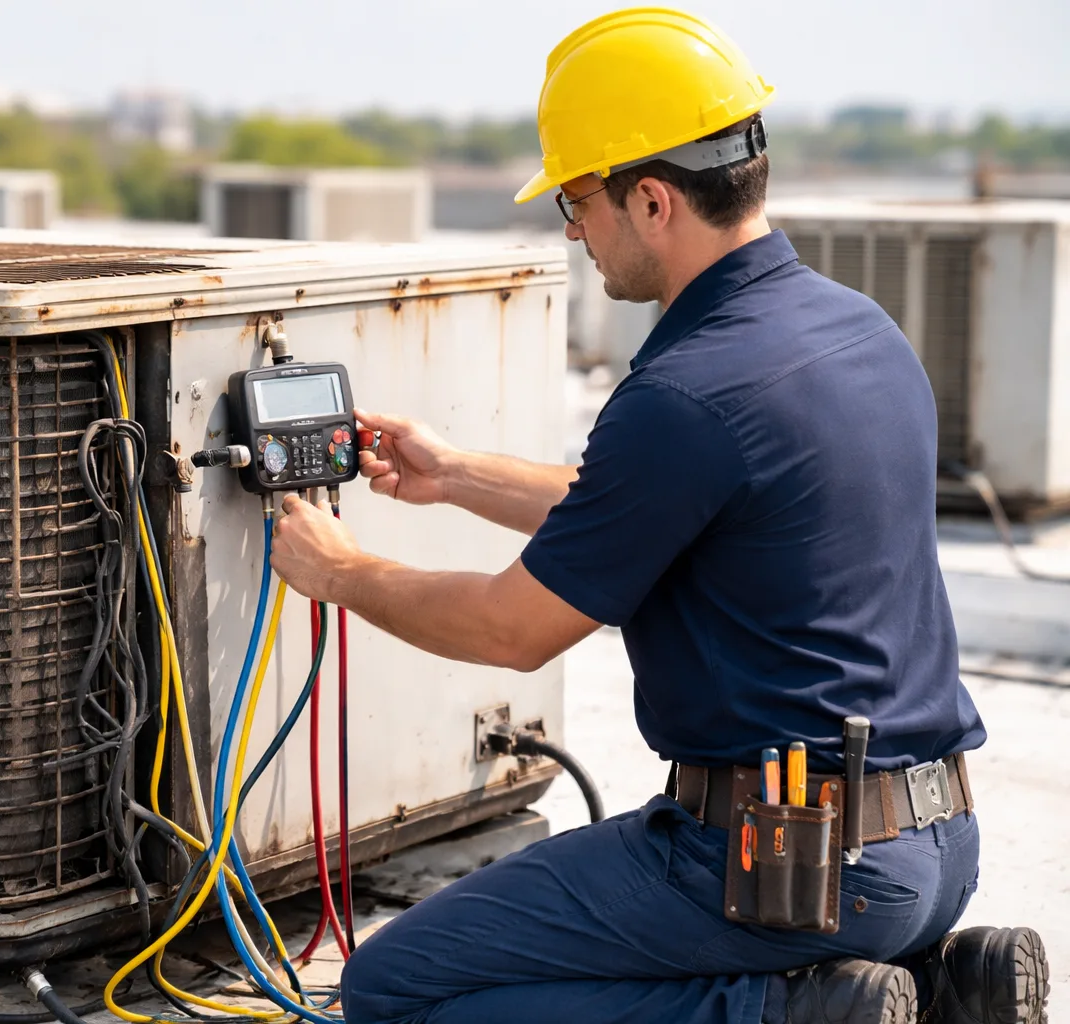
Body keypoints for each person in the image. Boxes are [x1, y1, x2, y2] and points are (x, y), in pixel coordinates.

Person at [267, 8, 1049, 1024]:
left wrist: (340, 572)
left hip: (783, 871)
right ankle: (949, 988)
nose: (572, 230)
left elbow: (512, 630)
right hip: (936, 852)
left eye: (576, 199)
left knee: (393, 988)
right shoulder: (859, 332)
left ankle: (782, 1014)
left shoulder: (685, 395)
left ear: (650, 198)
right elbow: (670, 510)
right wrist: (454, 473)